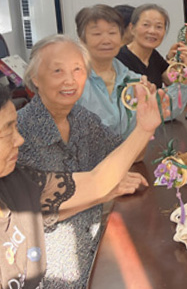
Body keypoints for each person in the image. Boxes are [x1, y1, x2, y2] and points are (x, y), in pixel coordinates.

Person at [14, 35, 163, 288]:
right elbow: (36, 212)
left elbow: (128, 156)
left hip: (95, 250)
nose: (70, 80)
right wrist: (105, 190)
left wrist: (143, 120)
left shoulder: (81, 118)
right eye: (58, 71)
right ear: (35, 78)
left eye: (78, 70)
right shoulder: (18, 133)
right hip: (47, 270)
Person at [75, 5, 187, 137]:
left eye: (112, 33)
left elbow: (165, 110)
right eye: (97, 34)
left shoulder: (132, 80)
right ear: (82, 39)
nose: (106, 40)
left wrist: (152, 100)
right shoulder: (71, 82)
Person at [117, 4, 187, 89]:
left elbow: (173, 81)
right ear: (132, 28)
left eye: (159, 27)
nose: (152, 31)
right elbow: (144, 97)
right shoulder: (119, 59)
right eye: (146, 25)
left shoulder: (153, 55)